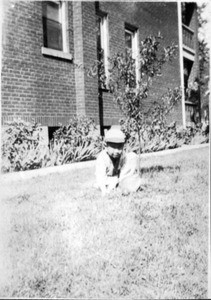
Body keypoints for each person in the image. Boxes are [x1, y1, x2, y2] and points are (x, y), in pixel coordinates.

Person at [95, 127, 142, 196]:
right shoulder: (102, 157)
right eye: (113, 147)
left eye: (119, 147)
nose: (116, 151)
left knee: (133, 156)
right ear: (106, 146)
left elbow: (126, 171)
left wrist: (122, 180)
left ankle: (125, 187)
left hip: (120, 179)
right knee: (109, 182)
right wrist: (104, 191)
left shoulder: (123, 156)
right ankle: (118, 187)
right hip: (107, 181)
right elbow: (100, 177)